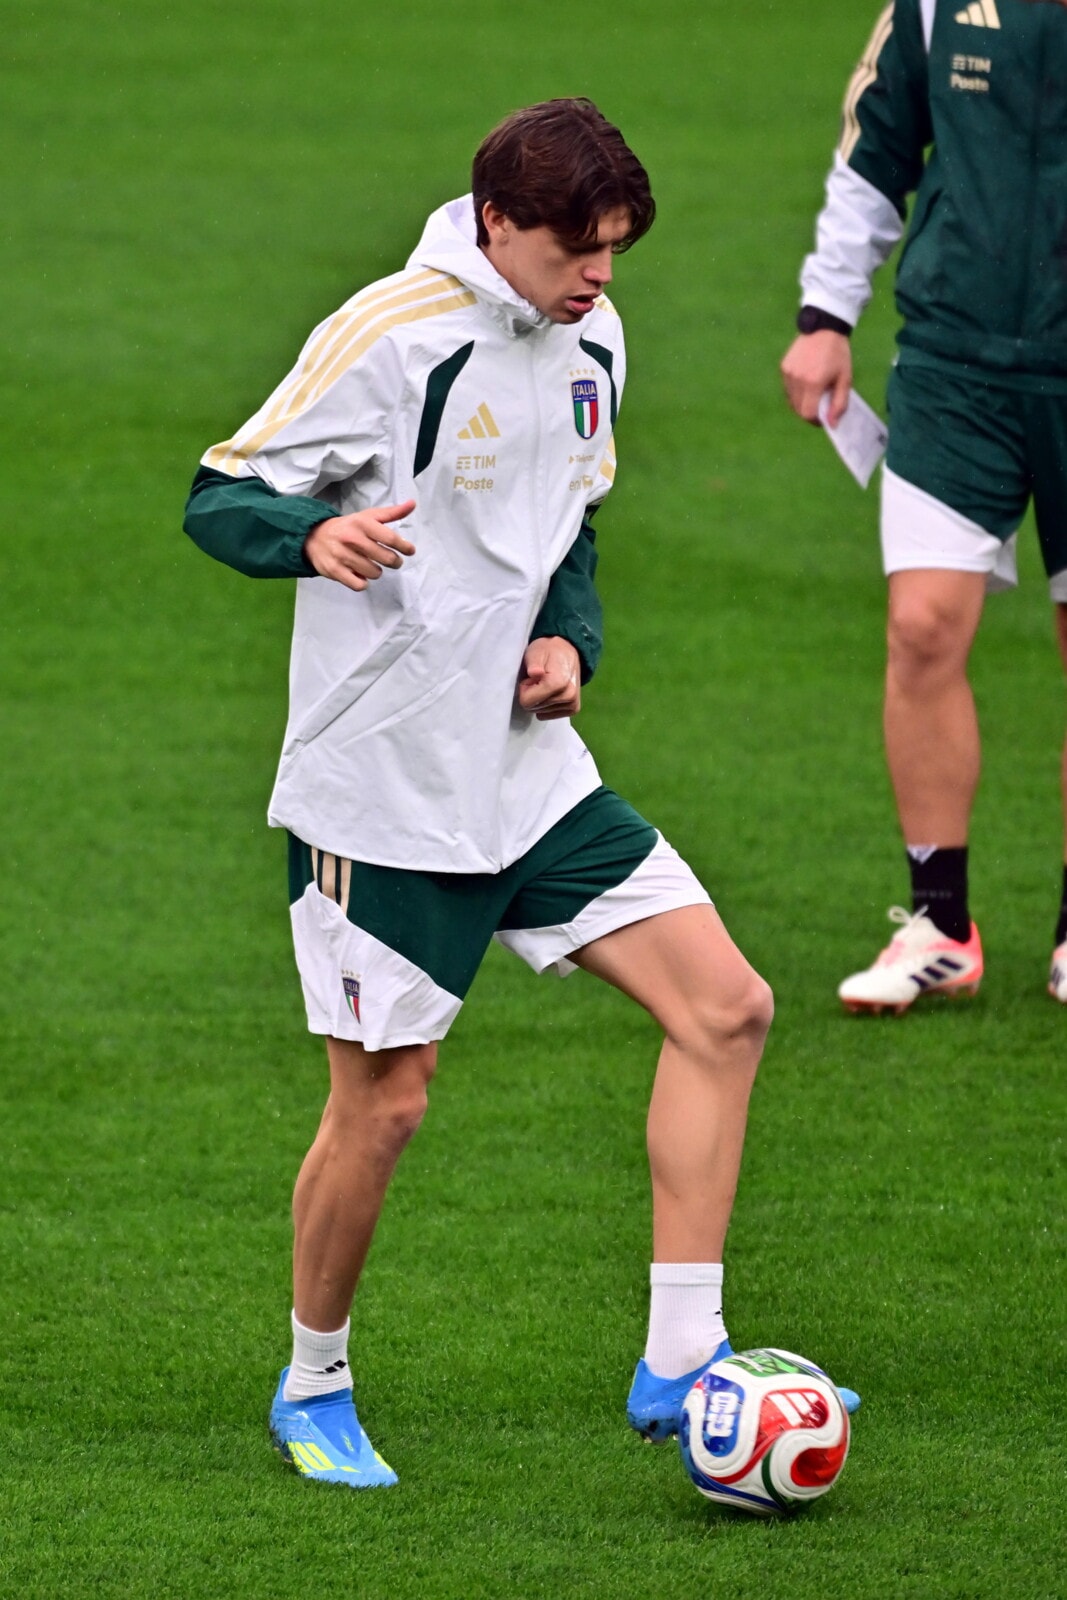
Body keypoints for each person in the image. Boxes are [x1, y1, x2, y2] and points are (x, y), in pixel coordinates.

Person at [185, 98, 856, 1487]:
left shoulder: (591, 335)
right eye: (573, 248)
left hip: (525, 777)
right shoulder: (390, 334)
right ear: (496, 222)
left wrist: (569, 641)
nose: (598, 274)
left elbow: (569, 522)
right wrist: (315, 533)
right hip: (383, 791)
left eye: (613, 248)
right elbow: (221, 491)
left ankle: (680, 1355)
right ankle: (313, 1382)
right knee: (386, 1103)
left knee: (725, 1008)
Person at [781, 0, 1067, 1014]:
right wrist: (825, 314)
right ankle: (939, 923)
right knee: (920, 628)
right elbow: (875, 146)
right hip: (954, 366)